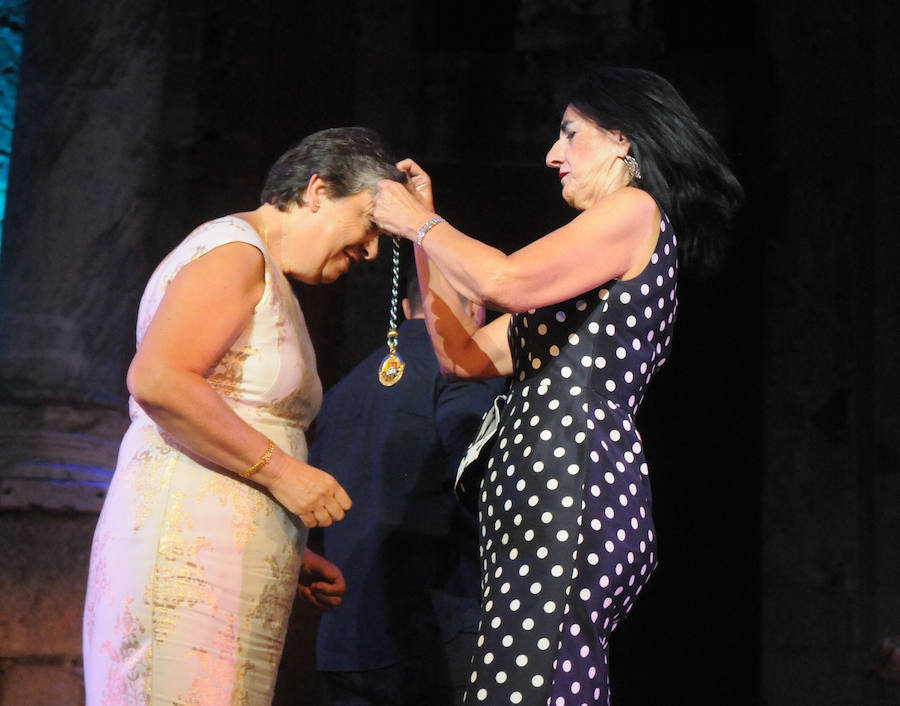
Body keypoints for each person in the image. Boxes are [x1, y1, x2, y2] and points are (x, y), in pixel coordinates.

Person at [372, 67, 743, 705]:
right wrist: (428, 228)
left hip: (569, 487)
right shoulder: (582, 292)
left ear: (623, 139)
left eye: (570, 134)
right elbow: (462, 355)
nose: (552, 155)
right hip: (551, 489)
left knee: (526, 685)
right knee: (537, 685)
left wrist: (416, 225)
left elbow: (505, 282)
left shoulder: (635, 208)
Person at [82, 127, 406, 705]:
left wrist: (285, 541)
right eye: (369, 224)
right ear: (316, 190)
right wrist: (285, 475)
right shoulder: (235, 252)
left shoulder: (267, 273)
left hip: (224, 556)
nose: (373, 250)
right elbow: (158, 379)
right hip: (184, 560)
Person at [307, 265, 504, 706]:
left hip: (343, 641)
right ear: (477, 309)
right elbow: (480, 488)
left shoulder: (341, 391)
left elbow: (314, 522)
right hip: (430, 634)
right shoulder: (465, 371)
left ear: (404, 308)